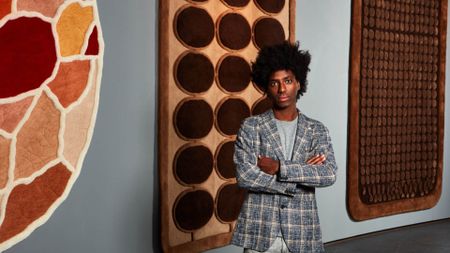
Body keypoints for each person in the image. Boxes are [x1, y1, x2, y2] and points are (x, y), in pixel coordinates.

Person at [231, 41, 338, 253]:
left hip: (303, 233)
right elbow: (245, 176)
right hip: (261, 232)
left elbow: (328, 173)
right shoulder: (252, 126)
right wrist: (300, 175)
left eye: (287, 81)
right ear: (266, 87)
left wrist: (281, 167)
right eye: (274, 83)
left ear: (298, 82)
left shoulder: (316, 130)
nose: (281, 89)